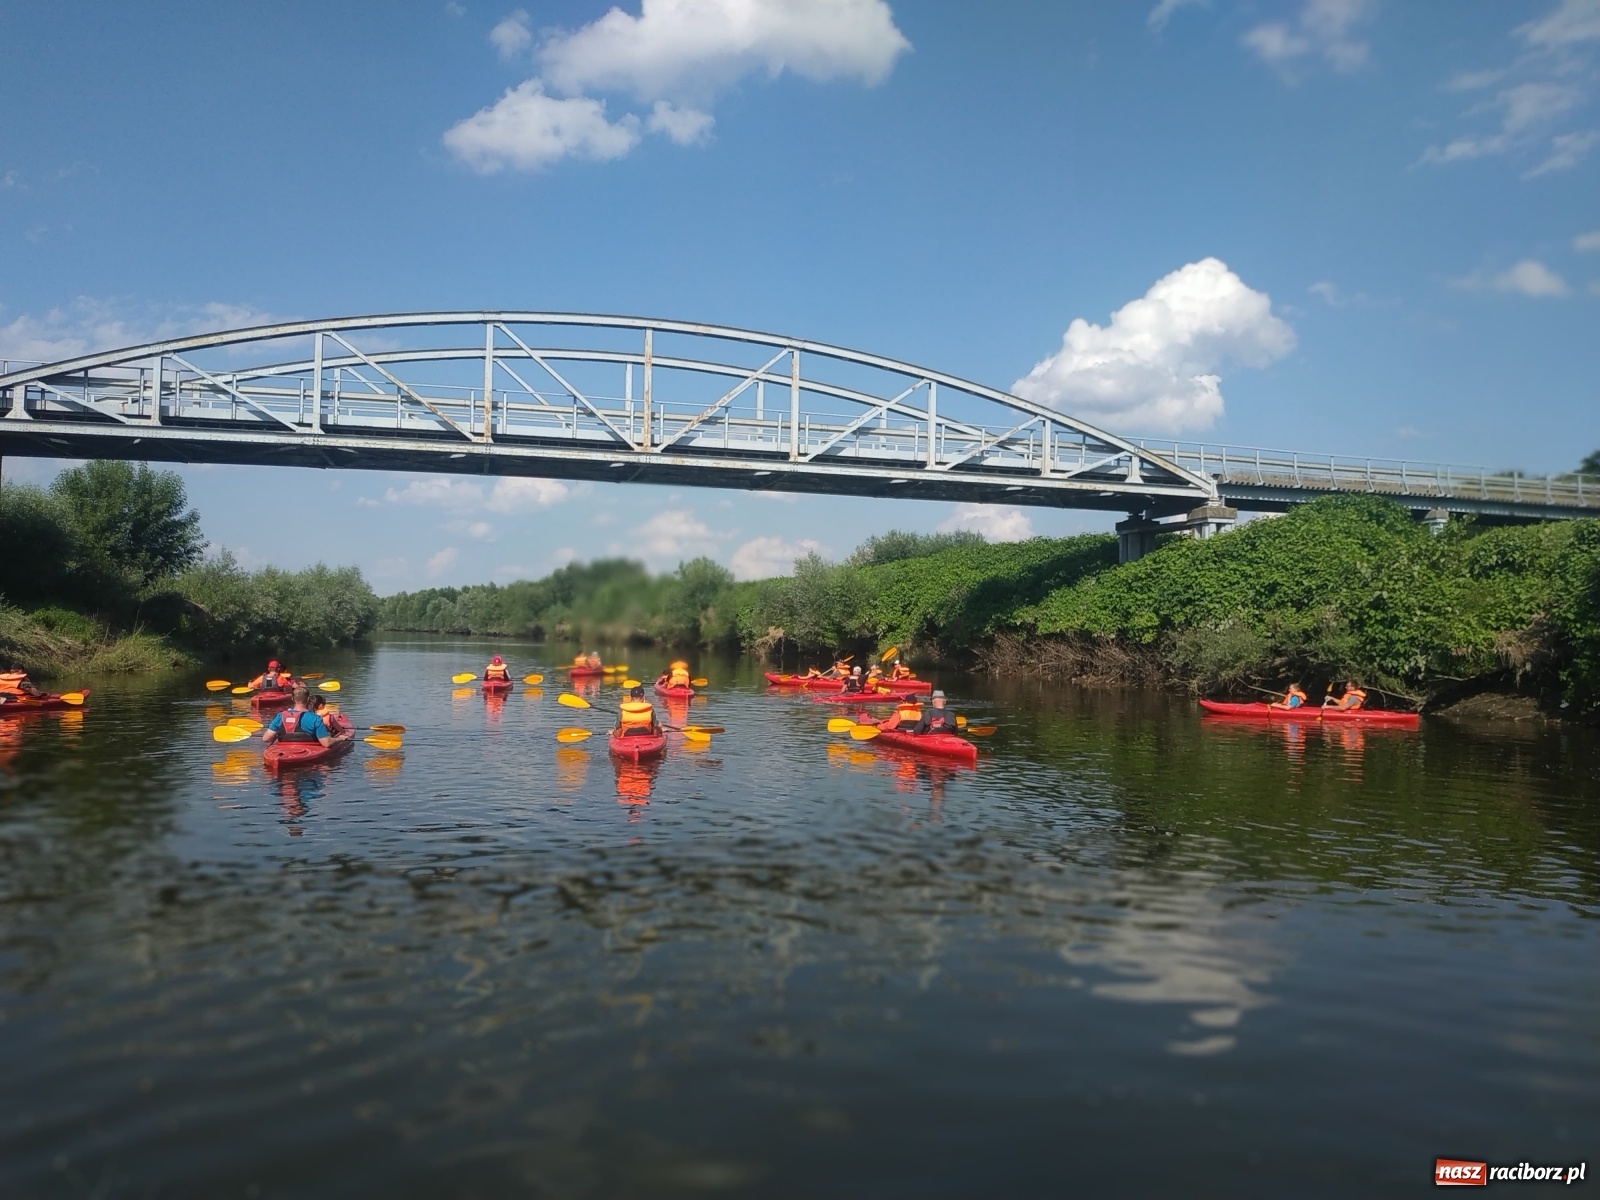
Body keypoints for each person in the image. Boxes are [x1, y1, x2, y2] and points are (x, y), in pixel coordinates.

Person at [263, 686, 349, 748]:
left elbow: (266, 739)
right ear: (308, 699)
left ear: (292, 699)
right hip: (309, 750)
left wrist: (277, 735)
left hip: (284, 750)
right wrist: (340, 739)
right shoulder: (315, 718)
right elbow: (326, 743)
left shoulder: (280, 716)